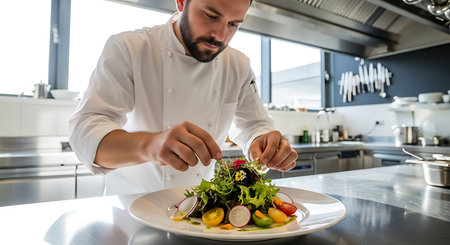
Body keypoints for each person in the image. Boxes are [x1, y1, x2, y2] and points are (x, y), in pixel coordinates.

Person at [69, 0, 297, 196]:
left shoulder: (237, 65)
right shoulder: (130, 49)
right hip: (130, 215)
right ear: (181, 1)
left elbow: (255, 125)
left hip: (201, 217)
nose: (219, 35)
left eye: (233, 24)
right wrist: (150, 145)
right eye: (210, 15)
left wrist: (265, 143)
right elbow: (85, 133)